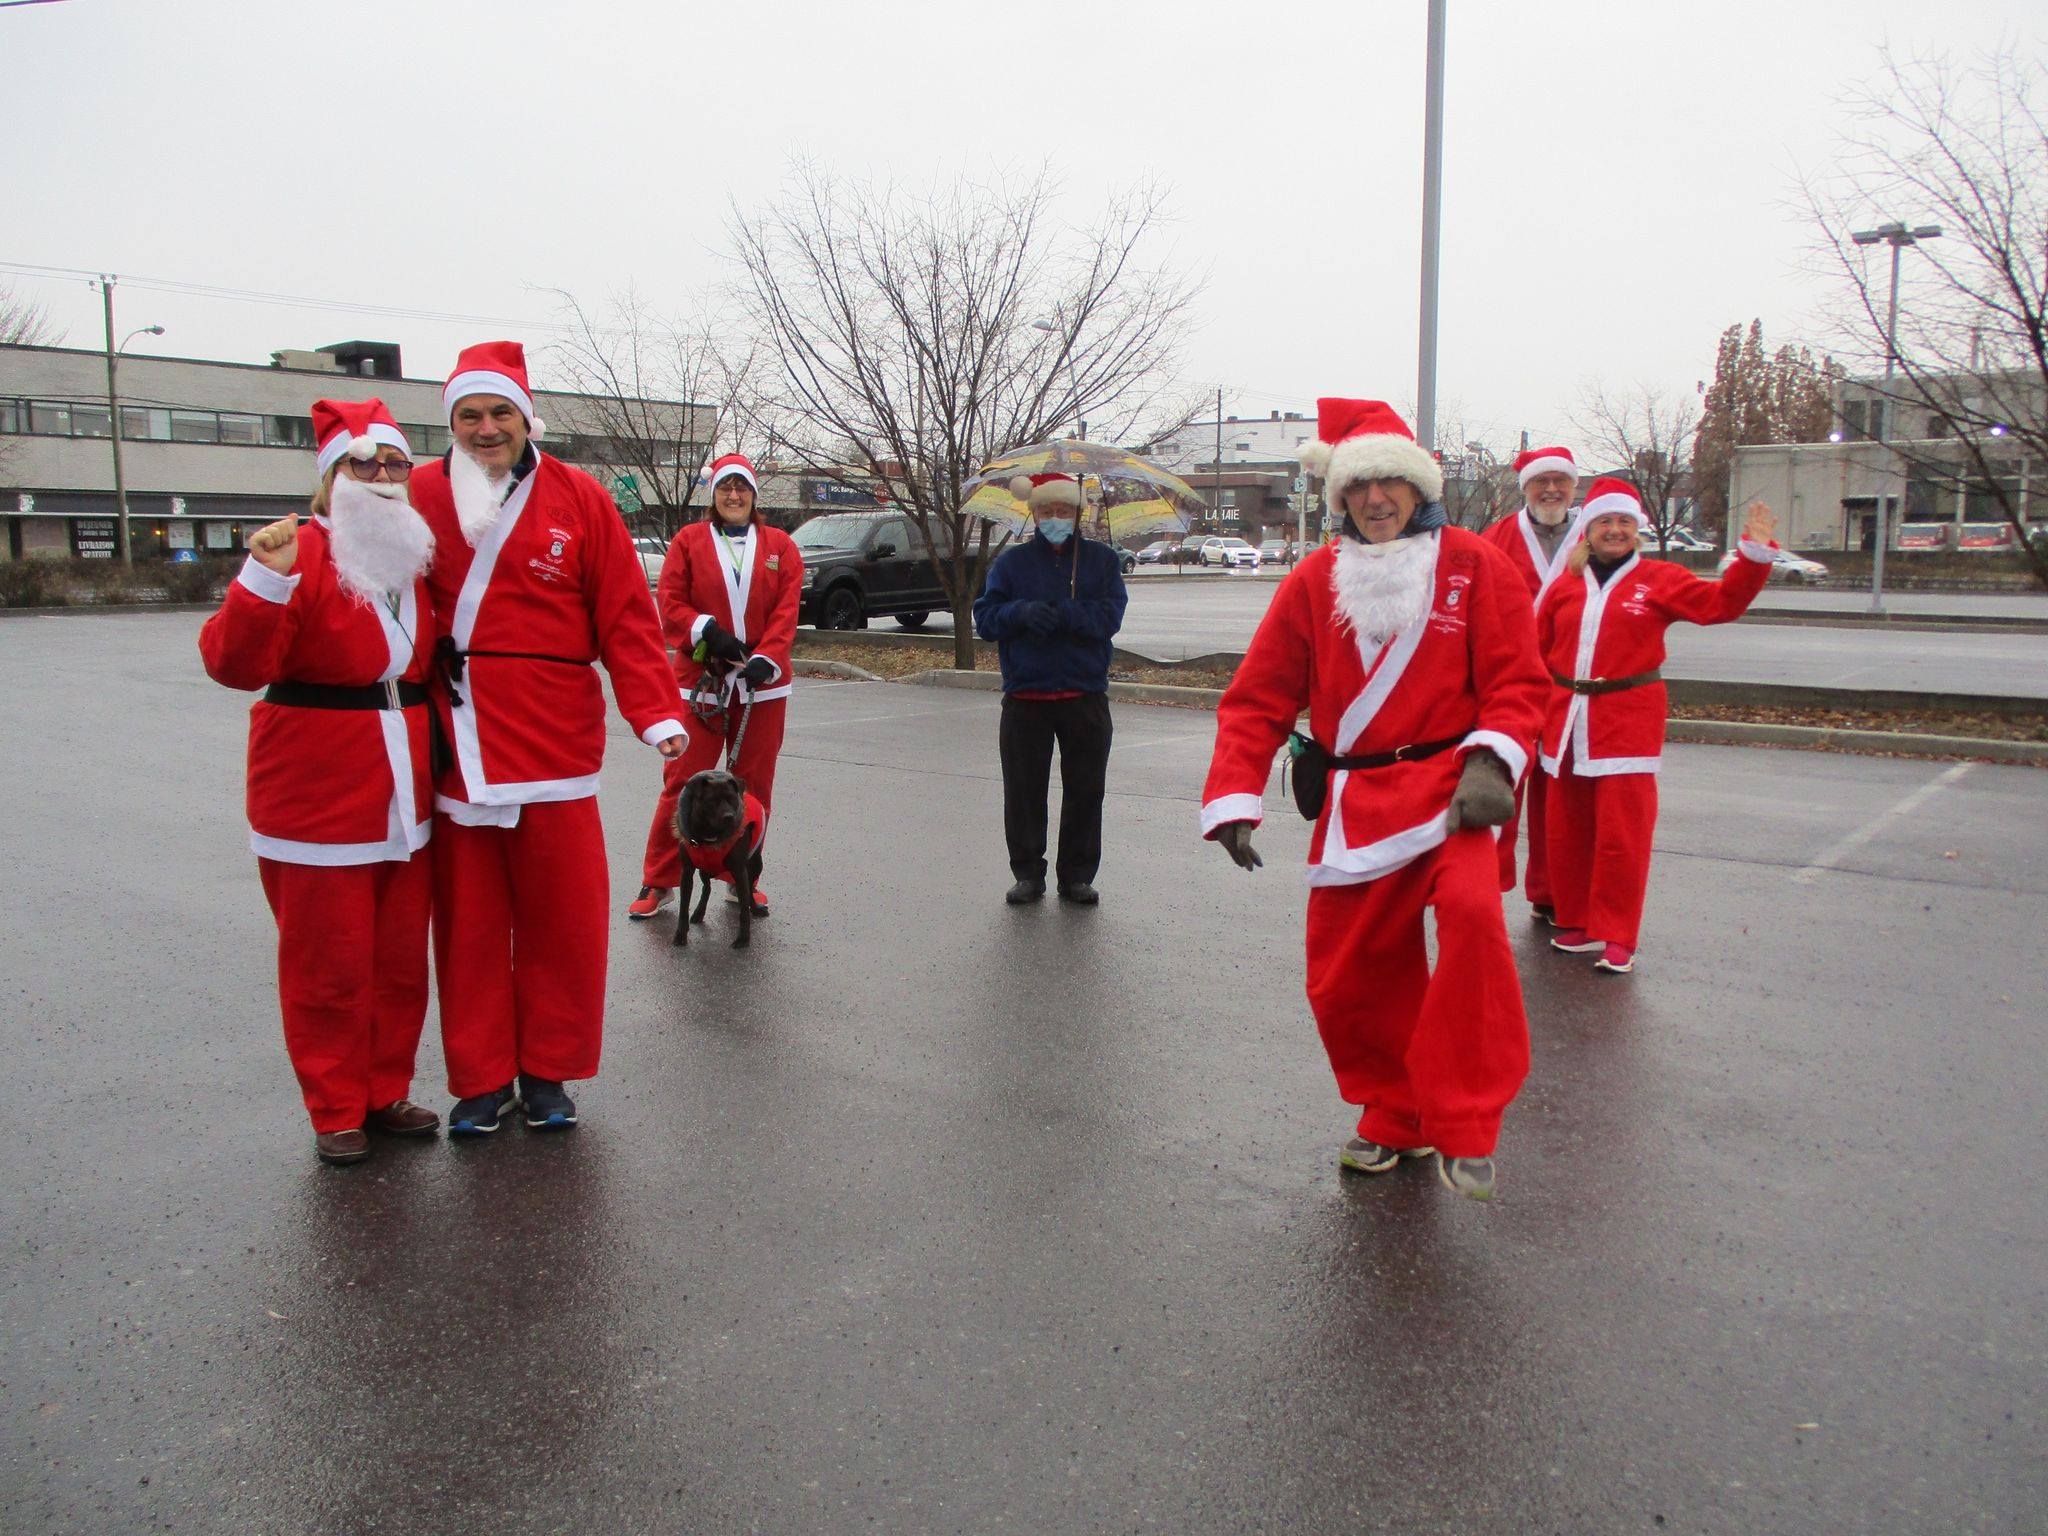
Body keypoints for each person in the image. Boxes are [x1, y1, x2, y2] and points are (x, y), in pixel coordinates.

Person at [1200, 399, 1547, 1201]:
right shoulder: (1313, 580)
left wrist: (1494, 760)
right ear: (1342, 498)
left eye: (1392, 482)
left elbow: (1518, 680)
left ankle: (1464, 1125)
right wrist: (1234, 797)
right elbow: (1257, 698)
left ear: (1417, 486)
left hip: (1455, 794)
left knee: (1469, 921)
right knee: (1349, 978)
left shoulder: (1472, 564)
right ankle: (1397, 1117)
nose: (1377, 499)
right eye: (1360, 488)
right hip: (1357, 801)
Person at [409, 341, 687, 1136]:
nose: (486, 428)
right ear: (452, 423)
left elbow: (625, 616)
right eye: (470, 415)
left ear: (526, 417)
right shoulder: (420, 494)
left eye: (500, 413)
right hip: (459, 734)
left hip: (556, 736)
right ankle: (480, 1079)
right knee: (467, 926)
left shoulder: (580, 497)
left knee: (562, 921)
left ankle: (548, 1073)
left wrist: (657, 714)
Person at [198, 398, 440, 1165]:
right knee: (327, 964)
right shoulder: (294, 551)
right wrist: (261, 581)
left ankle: (382, 1089)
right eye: (362, 463)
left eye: (395, 462)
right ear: (329, 478)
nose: (381, 475)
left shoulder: (413, 556)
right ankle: (335, 1106)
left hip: (406, 788)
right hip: (317, 794)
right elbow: (232, 666)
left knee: (399, 962)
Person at [1537, 482, 1778, 975]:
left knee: (1622, 836)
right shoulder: (1564, 584)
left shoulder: (1659, 579)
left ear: (1636, 530)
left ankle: (1618, 935)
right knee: (1568, 832)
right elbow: (1534, 651)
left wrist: (1753, 560)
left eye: (1625, 523)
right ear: (1588, 531)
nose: (1616, 531)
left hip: (1626, 722)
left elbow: (1720, 605)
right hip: (1564, 723)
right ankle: (1580, 919)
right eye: (1606, 522)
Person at [629, 453, 802, 920]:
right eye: (725, 487)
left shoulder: (780, 546)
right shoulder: (688, 541)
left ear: (753, 494)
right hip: (701, 684)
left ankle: (741, 876)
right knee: (683, 780)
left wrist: (767, 657)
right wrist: (706, 631)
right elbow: (670, 601)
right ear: (714, 494)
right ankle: (660, 879)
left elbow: (787, 608)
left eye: (741, 487)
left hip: (760, 686)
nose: (733, 495)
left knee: (753, 788)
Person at [971, 472, 1129, 906]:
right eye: (1046, 511)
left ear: (1077, 514)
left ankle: (1077, 875)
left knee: (1085, 790)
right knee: (1023, 792)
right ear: (1034, 513)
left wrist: (1070, 616)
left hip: (1084, 695)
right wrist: (1021, 613)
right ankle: (1027, 873)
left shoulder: (1101, 561)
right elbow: (985, 619)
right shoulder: (1011, 564)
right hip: (1027, 697)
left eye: (1063, 511)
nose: (1054, 518)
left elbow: (1110, 617)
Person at [1478, 445, 1586, 922]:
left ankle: (1550, 891)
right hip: (1508, 684)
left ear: (1573, 487)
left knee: (1559, 803)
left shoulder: (1595, 535)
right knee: (1500, 791)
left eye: (1559, 482)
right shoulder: (1497, 537)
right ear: (1525, 488)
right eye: (1540, 482)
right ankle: (1484, 888)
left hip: (1569, 689)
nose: (1550, 490)